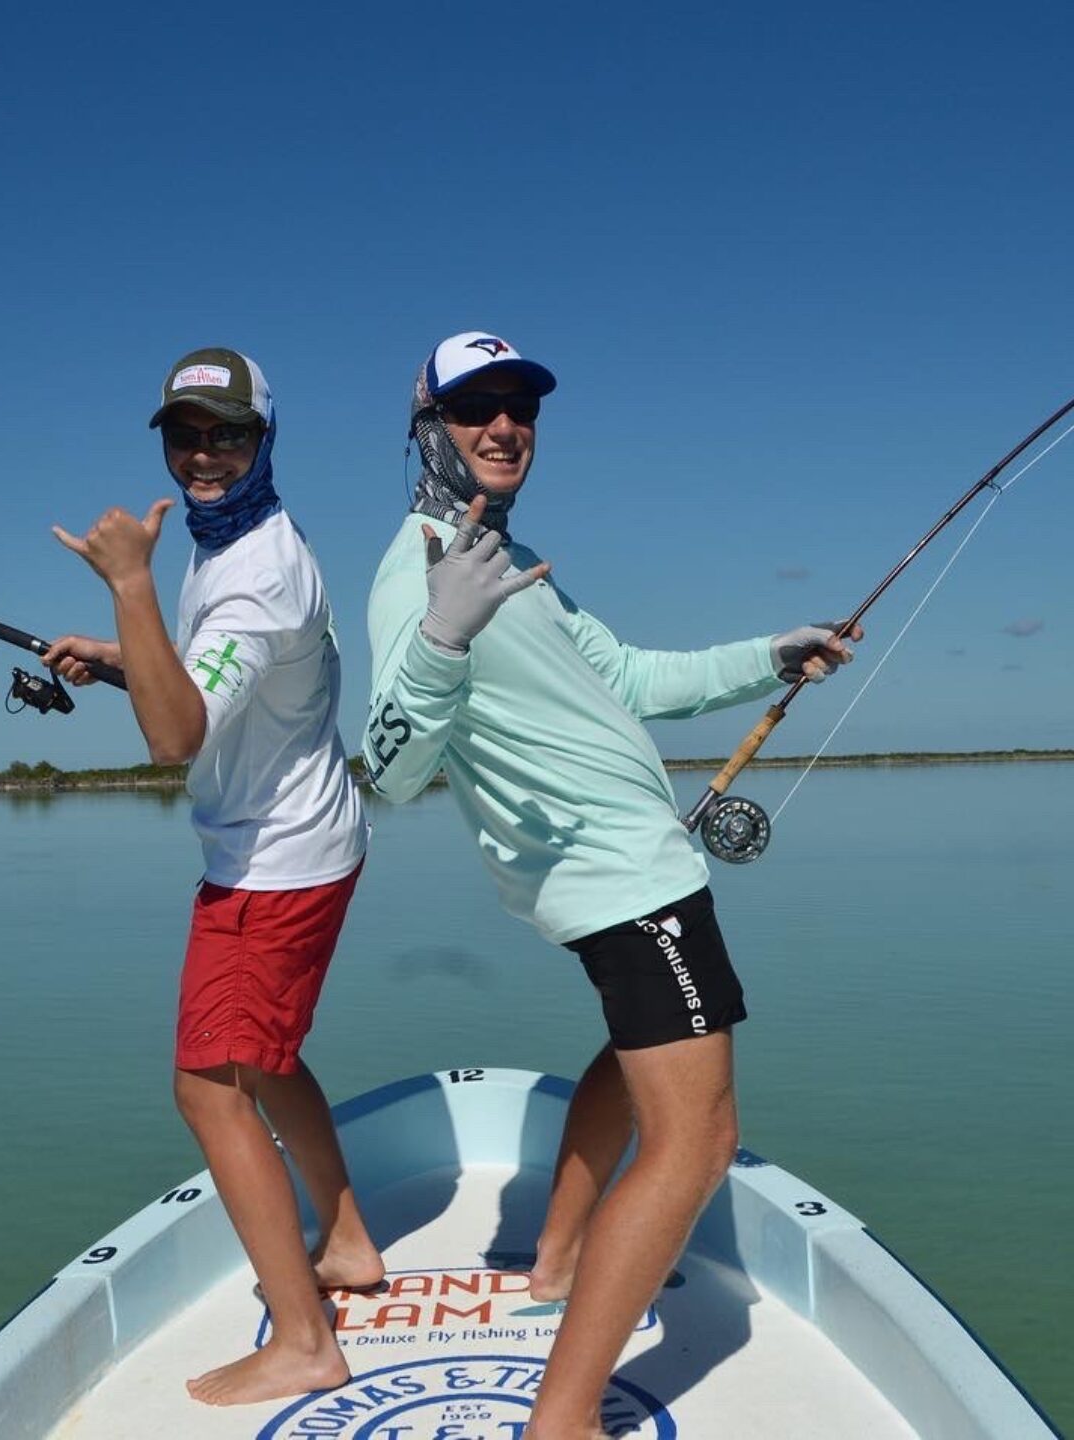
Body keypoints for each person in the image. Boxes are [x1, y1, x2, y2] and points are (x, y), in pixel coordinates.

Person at [364, 331, 862, 1439]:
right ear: (425, 430)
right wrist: (443, 634)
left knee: (633, 1053)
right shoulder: (426, 575)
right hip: (619, 883)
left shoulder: (508, 559)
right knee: (698, 1142)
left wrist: (768, 657)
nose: (503, 427)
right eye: (472, 408)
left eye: (521, 407)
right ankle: (565, 1420)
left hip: (632, 871)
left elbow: (627, 676)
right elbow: (389, 768)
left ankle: (556, 1255)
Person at [46, 347, 382, 1407]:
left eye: (226, 433)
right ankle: (352, 1243)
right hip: (306, 840)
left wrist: (131, 585)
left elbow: (174, 735)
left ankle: (304, 1342)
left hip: (271, 864)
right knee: (270, 1059)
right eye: (185, 433)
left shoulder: (252, 568)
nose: (203, 451)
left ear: (264, 438)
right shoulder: (229, 543)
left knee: (208, 1086)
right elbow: (207, 684)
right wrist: (121, 649)